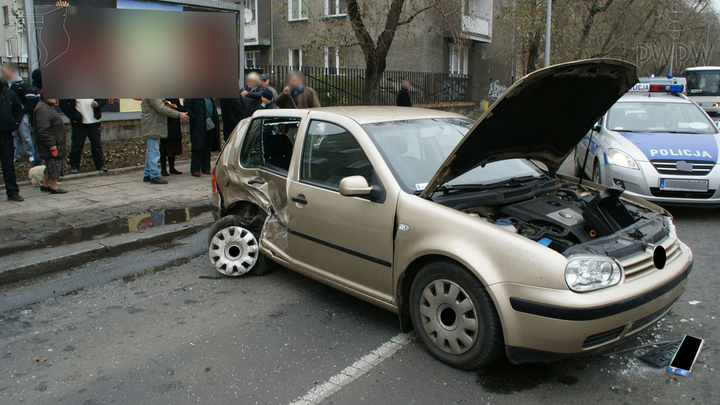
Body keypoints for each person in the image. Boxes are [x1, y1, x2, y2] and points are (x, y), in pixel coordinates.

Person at [140, 99, 188, 184]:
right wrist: (179, 114)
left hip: (152, 125)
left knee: (150, 151)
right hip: (152, 125)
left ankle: (147, 174)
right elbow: (161, 108)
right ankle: (154, 176)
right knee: (154, 152)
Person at [59, 98, 108, 173]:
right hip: (79, 122)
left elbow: (103, 99)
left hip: (94, 121)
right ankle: (74, 165)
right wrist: (72, 115)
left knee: (96, 144)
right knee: (77, 145)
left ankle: (100, 164)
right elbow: (63, 103)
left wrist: (97, 104)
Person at [34, 93, 68, 194]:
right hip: (52, 143)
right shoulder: (43, 109)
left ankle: (45, 184)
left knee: (49, 164)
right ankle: (54, 186)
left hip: (54, 141)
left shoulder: (45, 107)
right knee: (54, 164)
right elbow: (43, 129)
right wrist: (52, 145)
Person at [1, 63, 34, 163]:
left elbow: (27, 100)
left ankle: (30, 154)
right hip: (9, 115)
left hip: (21, 114)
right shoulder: (5, 85)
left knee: (25, 135)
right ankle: (15, 155)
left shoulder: (21, 85)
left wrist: (23, 111)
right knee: (12, 136)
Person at [0, 81, 24, 201]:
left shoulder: (8, 93)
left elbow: (18, 110)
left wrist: (14, 124)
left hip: (5, 136)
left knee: (8, 166)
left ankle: (12, 191)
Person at [185, 98, 221, 177]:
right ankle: (195, 169)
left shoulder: (209, 97)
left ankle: (206, 167)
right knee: (198, 146)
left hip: (210, 123)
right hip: (198, 124)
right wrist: (194, 117)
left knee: (207, 146)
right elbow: (187, 108)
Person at [161, 98, 185, 176]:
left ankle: (172, 168)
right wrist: (169, 107)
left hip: (175, 126)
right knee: (164, 148)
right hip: (165, 125)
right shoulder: (162, 98)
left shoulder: (174, 98)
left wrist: (176, 107)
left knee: (173, 147)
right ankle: (163, 169)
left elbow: (180, 107)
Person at [24, 69, 43, 166]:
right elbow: (30, 108)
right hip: (37, 123)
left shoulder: (43, 89)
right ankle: (37, 167)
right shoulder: (32, 90)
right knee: (39, 146)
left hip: (46, 122)